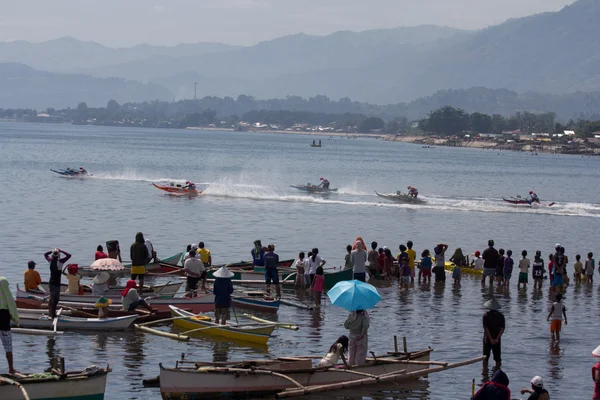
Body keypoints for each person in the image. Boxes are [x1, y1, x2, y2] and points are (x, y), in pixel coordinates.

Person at [44, 248, 72, 319]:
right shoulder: (60, 262)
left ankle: (50, 313)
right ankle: (53, 314)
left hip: (50, 282)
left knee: (51, 299)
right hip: (56, 284)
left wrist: (52, 251)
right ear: (58, 255)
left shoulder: (50, 261)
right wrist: (61, 250)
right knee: (55, 299)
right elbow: (69, 255)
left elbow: (45, 254)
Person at [0, 277, 19, 374]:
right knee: (7, 345)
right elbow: (10, 300)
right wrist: (14, 316)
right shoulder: (3, 281)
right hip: (3, 315)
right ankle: (11, 369)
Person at [482, 298, 505, 368]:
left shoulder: (485, 315)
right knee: (498, 359)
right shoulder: (501, 316)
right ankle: (497, 371)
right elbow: (502, 328)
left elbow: (486, 329)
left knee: (485, 358)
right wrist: (497, 338)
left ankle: (485, 374)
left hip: (487, 339)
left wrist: (491, 339)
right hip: (497, 339)